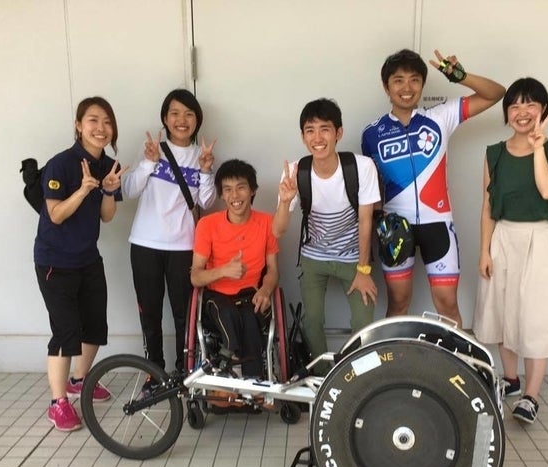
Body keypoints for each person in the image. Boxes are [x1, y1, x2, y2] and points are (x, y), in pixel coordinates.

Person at [361, 48, 505, 326]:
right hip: (395, 227)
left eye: (414, 80)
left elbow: (496, 93)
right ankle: (397, 355)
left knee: (447, 304)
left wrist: (460, 76)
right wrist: (379, 221)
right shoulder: (371, 133)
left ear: (423, 84)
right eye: (398, 80)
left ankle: (451, 355)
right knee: (398, 303)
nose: (407, 88)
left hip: (437, 223)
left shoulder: (440, 116)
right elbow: (371, 186)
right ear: (386, 87)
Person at [472, 77, 548, 424]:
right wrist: (484, 251)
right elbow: (488, 205)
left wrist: (538, 147)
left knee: (535, 315)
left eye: (530, 104)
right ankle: (510, 380)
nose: (522, 111)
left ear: (544, 110)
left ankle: (531, 396)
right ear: (506, 112)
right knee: (503, 310)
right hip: (503, 236)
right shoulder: (494, 153)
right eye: (514, 105)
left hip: (540, 239)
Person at [34, 96, 124, 431]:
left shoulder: (109, 165)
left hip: (88, 258)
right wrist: (84, 190)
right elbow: (56, 214)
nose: (101, 128)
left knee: (95, 326)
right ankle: (57, 402)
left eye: (107, 122)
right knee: (66, 331)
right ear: (78, 125)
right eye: (93, 120)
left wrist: (108, 191)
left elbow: (107, 217)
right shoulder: (61, 164)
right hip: (55, 261)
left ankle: (79, 381)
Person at [274, 98, 380, 357]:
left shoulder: (361, 167)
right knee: (312, 322)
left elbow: (366, 220)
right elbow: (277, 231)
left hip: (354, 257)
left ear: (338, 133)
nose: (317, 138)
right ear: (303, 136)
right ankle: (321, 374)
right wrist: (285, 201)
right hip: (314, 256)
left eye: (325, 129)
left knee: (364, 322)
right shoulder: (295, 172)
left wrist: (364, 270)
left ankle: (355, 373)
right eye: (310, 130)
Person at [122, 89, 217, 376]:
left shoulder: (201, 155)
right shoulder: (154, 149)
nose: (181, 120)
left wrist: (206, 170)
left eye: (188, 114)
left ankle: (184, 373)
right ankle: (154, 374)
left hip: (184, 247)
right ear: (165, 118)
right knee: (149, 314)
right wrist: (148, 162)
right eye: (174, 113)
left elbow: (207, 202)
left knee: (184, 316)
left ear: (197, 120)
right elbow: (129, 189)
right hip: (145, 244)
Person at [190, 159, 279, 378]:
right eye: (228, 189)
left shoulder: (267, 223)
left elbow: (273, 270)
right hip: (216, 298)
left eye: (241, 187)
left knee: (249, 317)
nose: (235, 196)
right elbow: (195, 276)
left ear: (252, 190)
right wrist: (223, 271)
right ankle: (230, 367)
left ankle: (252, 382)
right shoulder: (207, 225)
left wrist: (265, 290)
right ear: (221, 194)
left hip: (251, 295)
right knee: (228, 314)